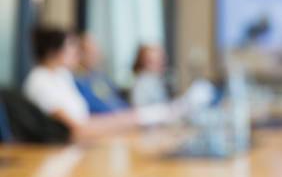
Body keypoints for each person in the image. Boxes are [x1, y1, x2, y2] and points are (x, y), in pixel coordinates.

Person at [23, 27, 176, 141]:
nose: (76, 53)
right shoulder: (40, 81)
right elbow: (77, 129)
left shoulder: (62, 76)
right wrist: (132, 120)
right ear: (53, 52)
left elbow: (84, 118)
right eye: (70, 47)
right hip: (63, 148)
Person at [74, 33, 128, 114]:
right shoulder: (78, 81)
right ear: (79, 54)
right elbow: (96, 108)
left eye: (96, 50)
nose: (96, 55)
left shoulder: (101, 76)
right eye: (90, 52)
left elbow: (117, 98)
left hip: (124, 116)